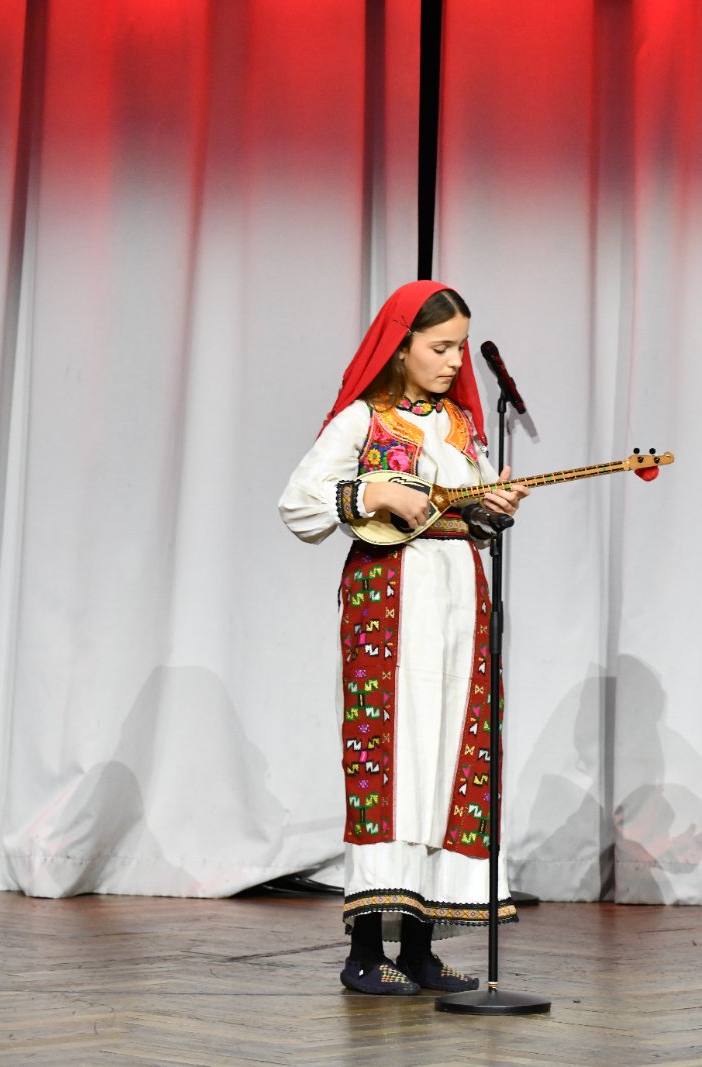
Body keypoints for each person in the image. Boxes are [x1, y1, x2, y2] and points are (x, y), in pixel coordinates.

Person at [279, 281, 527, 996]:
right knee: (391, 762)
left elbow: (470, 514)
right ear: (401, 346)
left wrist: (493, 506)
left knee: (447, 757)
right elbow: (298, 504)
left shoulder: (461, 426)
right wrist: (374, 491)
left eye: (460, 348)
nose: (454, 362)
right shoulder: (363, 419)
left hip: (458, 601)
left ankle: (419, 947)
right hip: (389, 600)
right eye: (440, 347)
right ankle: (365, 950)